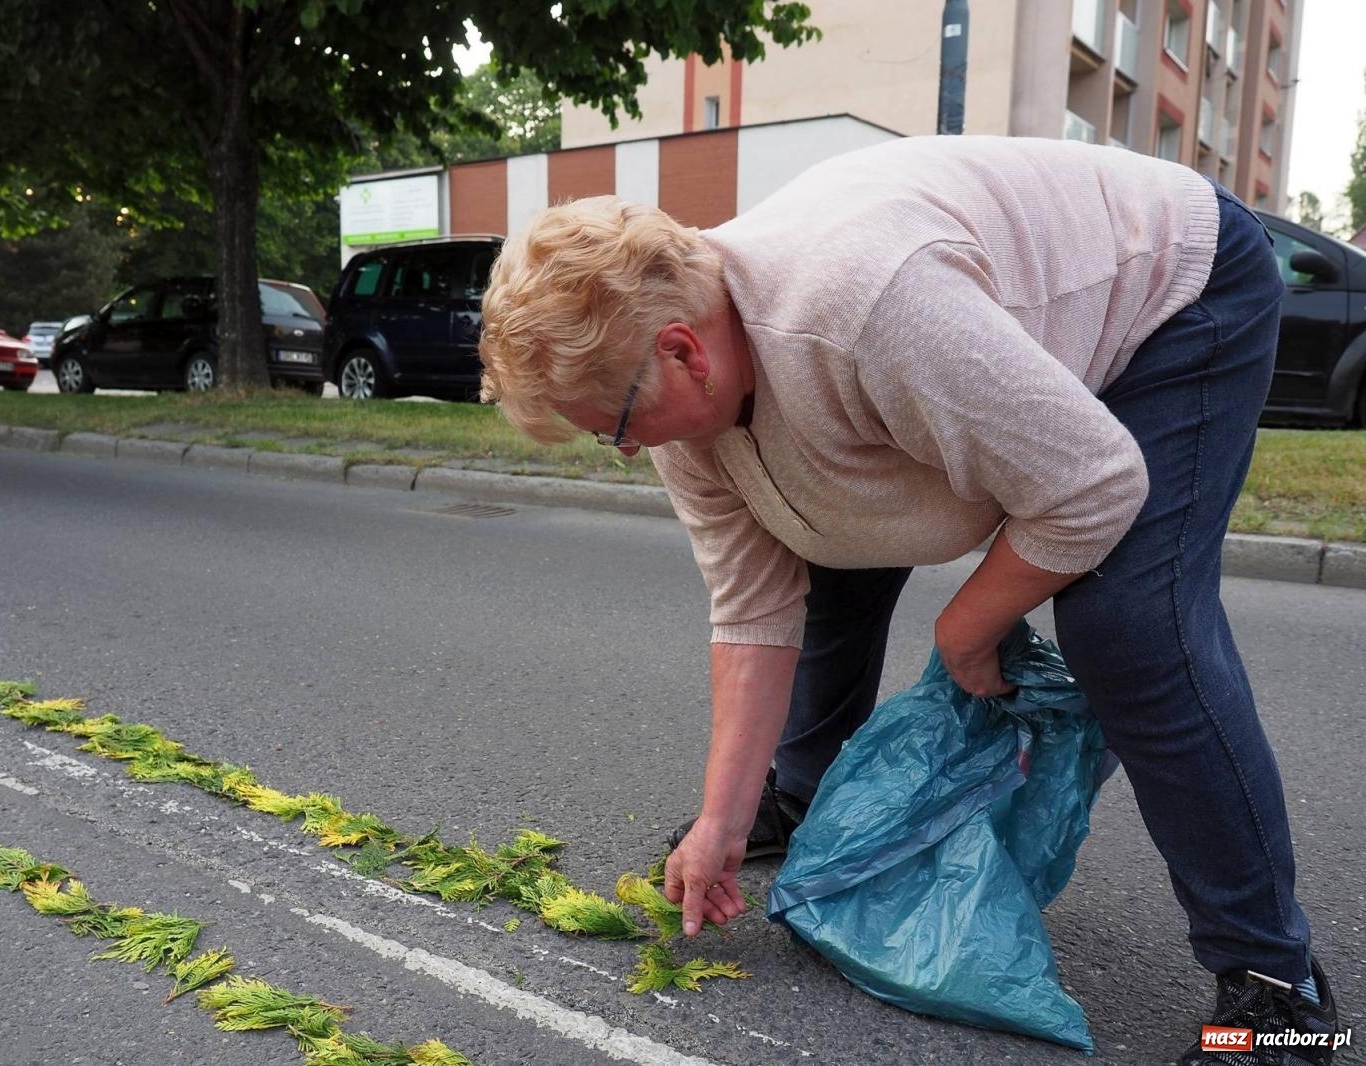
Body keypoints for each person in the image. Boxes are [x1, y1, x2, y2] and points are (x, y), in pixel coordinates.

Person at [476, 135, 1342, 1064]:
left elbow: (1090, 486)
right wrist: (720, 820)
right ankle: (802, 802)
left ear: (683, 350)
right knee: (819, 540)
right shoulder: (691, 399)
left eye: (613, 429)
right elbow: (754, 606)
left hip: (1169, 293)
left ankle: (1276, 985)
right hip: (944, 361)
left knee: (1128, 624)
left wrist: (970, 626)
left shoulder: (864, 308)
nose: (627, 453)